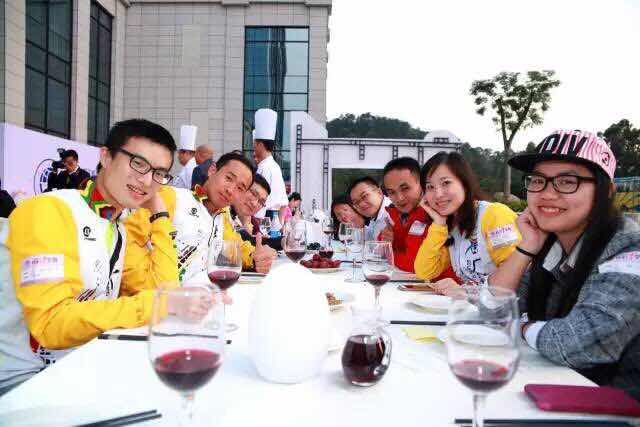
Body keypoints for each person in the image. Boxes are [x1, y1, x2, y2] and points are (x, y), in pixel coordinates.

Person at [0, 119, 180, 394]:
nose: (146, 181)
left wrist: (160, 216)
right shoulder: (49, 210)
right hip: (20, 383)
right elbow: (50, 324)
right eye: (138, 164)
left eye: (159, 173)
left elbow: (164, 290)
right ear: (106, 157)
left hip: (82, 367)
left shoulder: (118, 227)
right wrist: (156, 304)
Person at [490, 129, 640, 400]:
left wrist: (521, 326)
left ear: (607, 192)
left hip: (615, 409)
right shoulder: (552, 246)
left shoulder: (630, 250)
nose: (547, 193)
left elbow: (575, 342)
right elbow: (492, 309)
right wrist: (526, 247)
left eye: (567, 181)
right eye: (538, 181)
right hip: (549, 393)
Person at [125, 152, 277, 282]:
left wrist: (255, 257)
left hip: (200, 299)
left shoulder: (221, 217)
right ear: (212, 170)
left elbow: (235, 248)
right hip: (155, 300)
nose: (231, 190)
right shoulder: (171, 197)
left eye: (240, 188)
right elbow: (129, 248)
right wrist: (160, 295)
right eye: (228, 178)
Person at [414, 151, 521, 293]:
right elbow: (424, 271)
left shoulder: (494, 215)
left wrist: (466, 291)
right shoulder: (451, 225)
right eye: (430, 187)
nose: (438, 194)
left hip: (508, 306)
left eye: (446, 183)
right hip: (473, 306)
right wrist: (439, 224)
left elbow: (517, 275)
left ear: (464, 183)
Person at [380, 157, 458, 280]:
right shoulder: (398, 214)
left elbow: (413, 264)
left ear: (422, 184)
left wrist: (388, 252)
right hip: (418, 286)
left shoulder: (437, 213)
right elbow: (379, 245)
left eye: (405, 188)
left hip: (447, 288)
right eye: (391, 192)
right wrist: (389, 241)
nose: (399, 198)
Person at [253, 108, 289, 234]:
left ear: (260, 145)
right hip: (274, 220)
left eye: (254, 144)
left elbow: (259, 200)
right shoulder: (275, 166)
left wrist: (260, 226)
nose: (253, 148)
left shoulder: (265, 167)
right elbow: (284, 202)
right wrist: (279, 225)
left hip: (263, 220)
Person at [230, 174, 283, 251]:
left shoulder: (253, 221)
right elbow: (243, 238)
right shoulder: (221, 211)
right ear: (241, 188)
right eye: (253, 194)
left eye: (261, 202)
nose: (254, 203)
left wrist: (283, 241)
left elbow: (255, 241)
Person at [348, 176, 392, 241]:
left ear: (379, 192)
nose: (361, 204)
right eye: (356, 202)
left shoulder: (395, 212)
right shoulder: (375, 216)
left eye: (364, 196)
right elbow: (371, 240)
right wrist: (360, 226)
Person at [172, 125, 198, 189]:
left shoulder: (190, 169)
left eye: (179, 153)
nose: (178, 156)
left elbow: (193, 191)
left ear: (186, 153)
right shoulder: (189, 167)